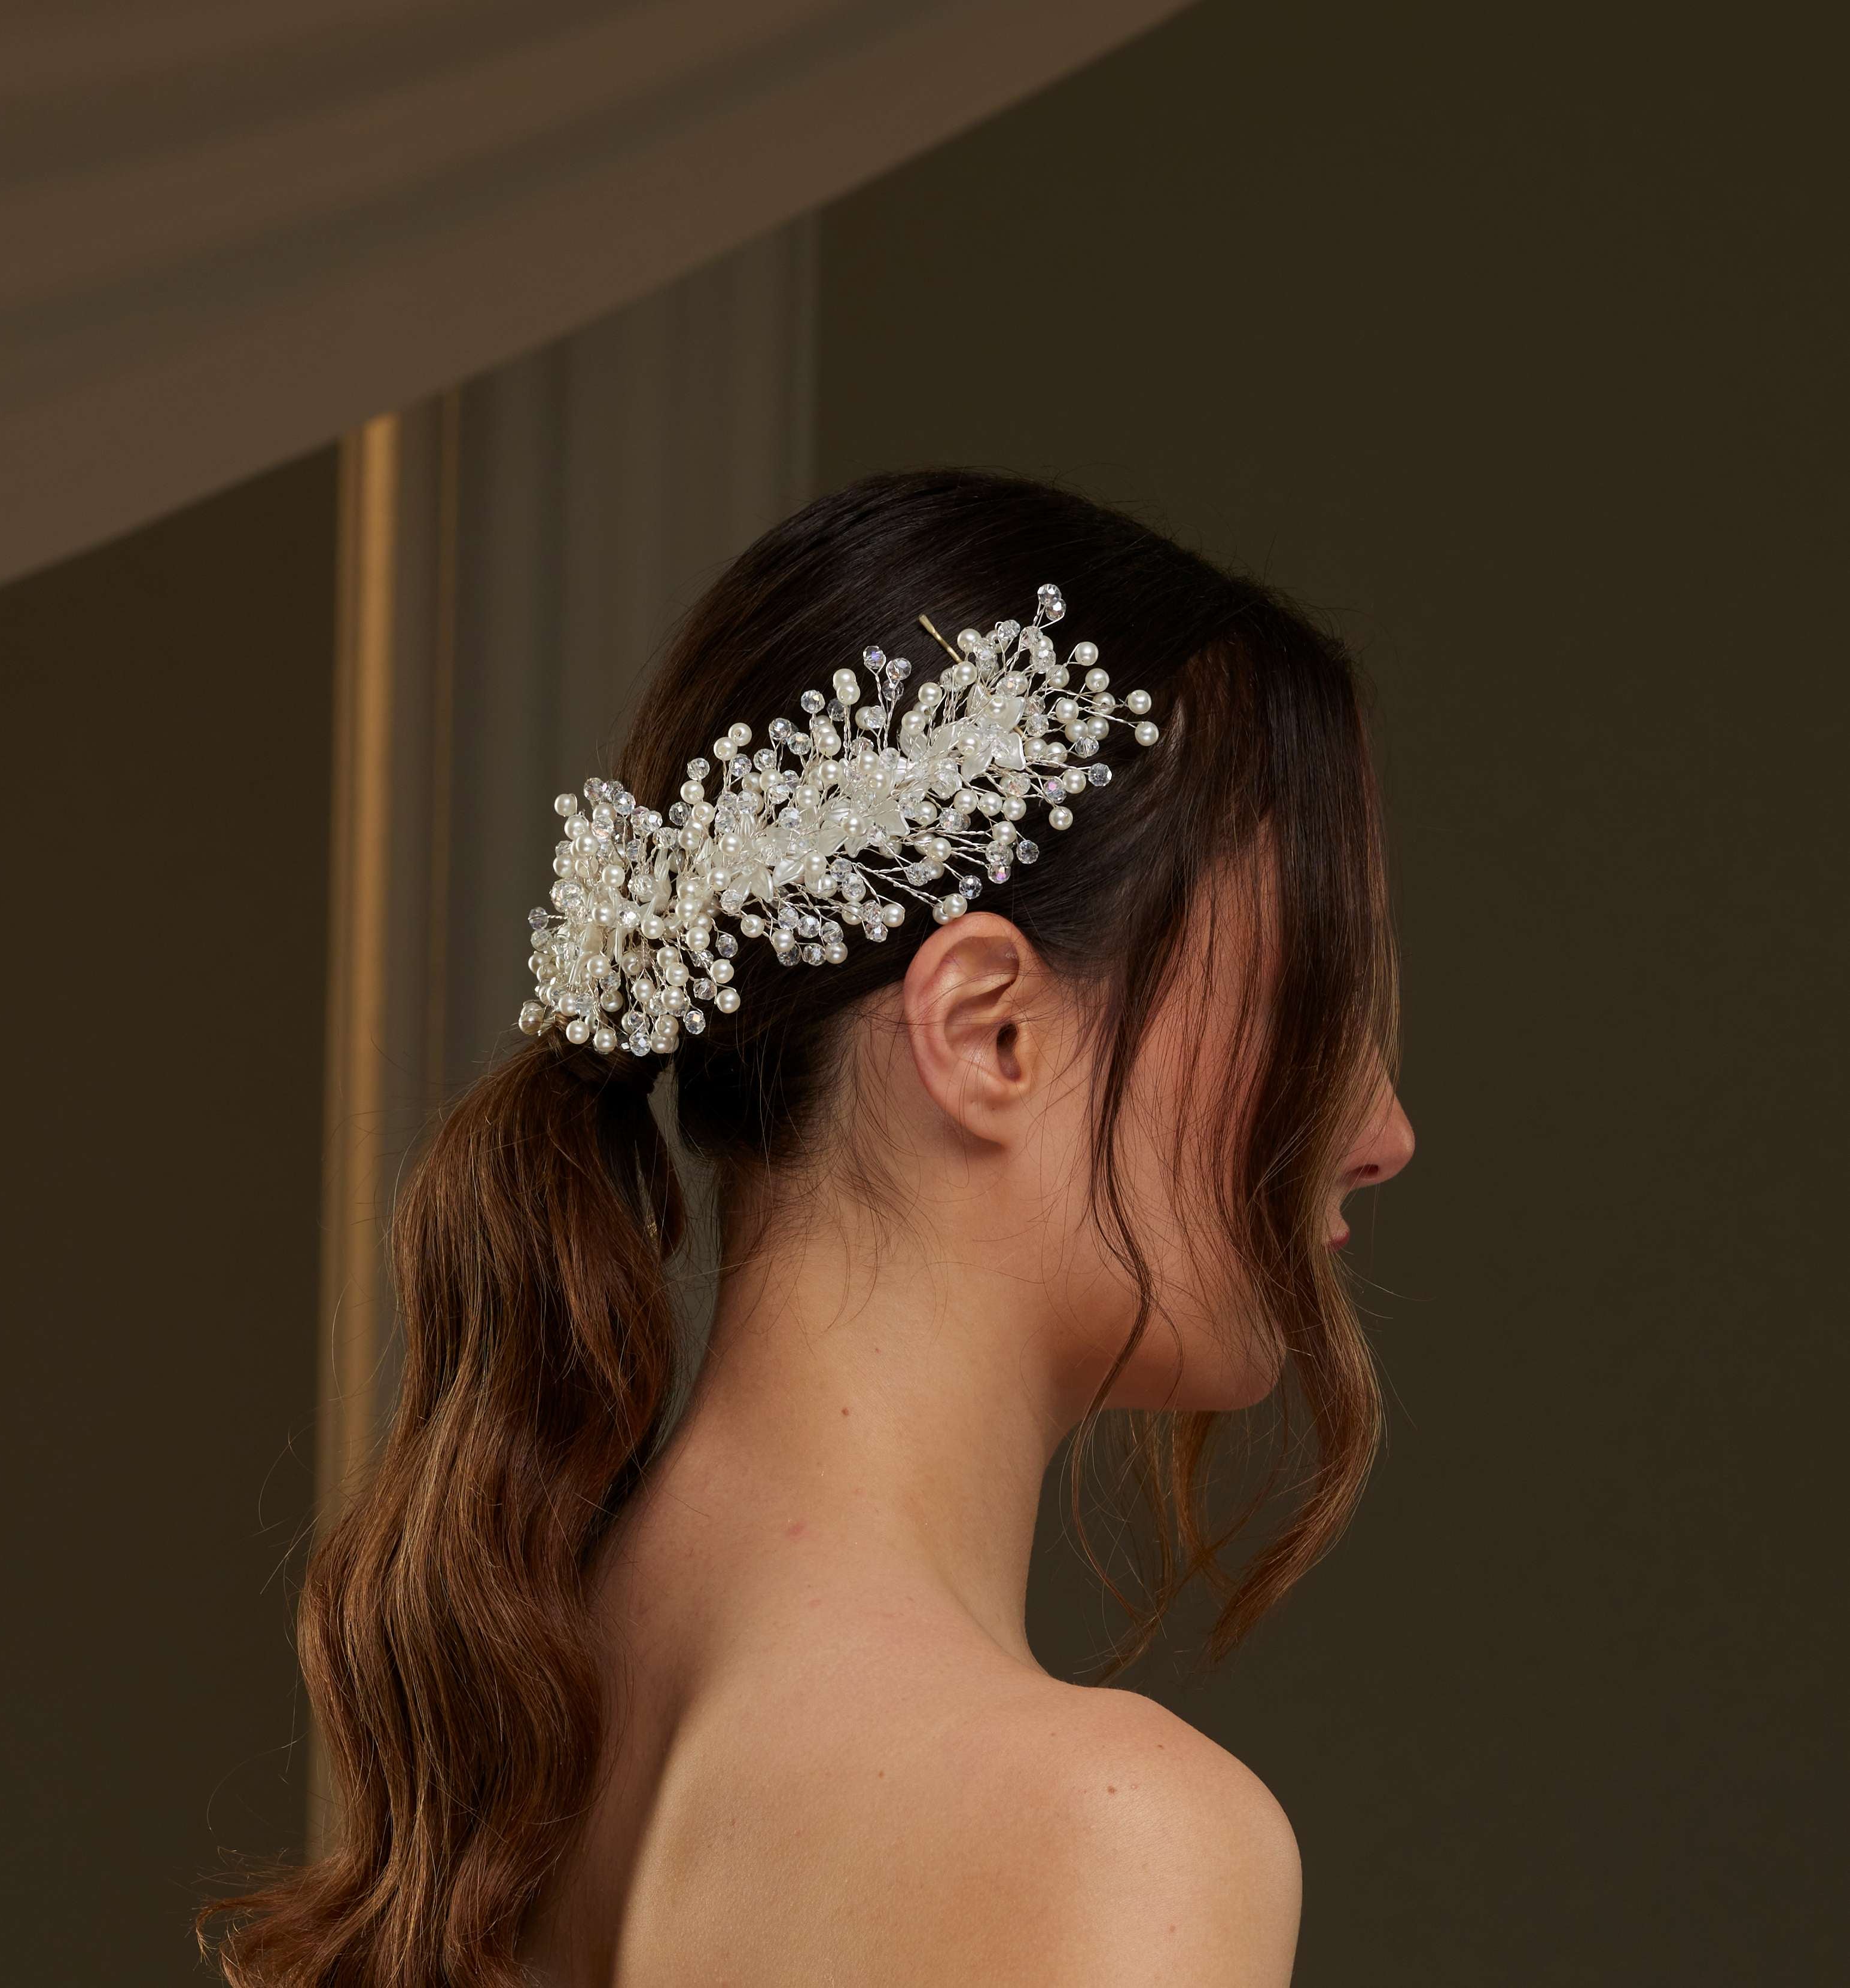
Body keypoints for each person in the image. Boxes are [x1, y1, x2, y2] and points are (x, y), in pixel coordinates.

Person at [203, 468, 1414, 1986]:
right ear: (987, 1033)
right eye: (1318, 1000)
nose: (1381, 1131)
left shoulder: (501, 1744)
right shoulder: (1108, 1837)